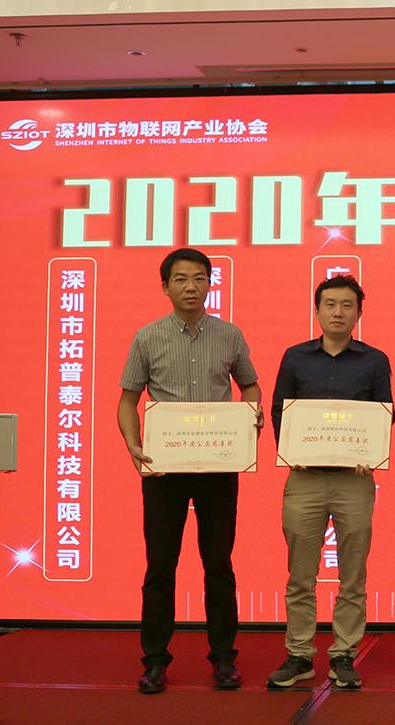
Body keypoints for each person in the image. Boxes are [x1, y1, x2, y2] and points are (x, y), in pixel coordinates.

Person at [117, 248, 262, 695]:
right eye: (180, 279)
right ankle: (154, 661)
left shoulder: (230, 335)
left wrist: (250, 418)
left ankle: (224, 659)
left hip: (218, 465)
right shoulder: (147, 338)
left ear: (210, 284)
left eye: (199, 278)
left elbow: (250, 386)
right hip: (165, 469)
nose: (191, 287)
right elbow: (127, 401)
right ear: (165, 287)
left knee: (218, 564)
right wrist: (134, 446)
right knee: (161, 565)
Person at [267, 275, 392, 691]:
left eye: (347, 305)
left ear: (359, 312)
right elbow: (280, 412)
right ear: (317, 310)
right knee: (300, 574)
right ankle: (300, 654)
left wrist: (371, 453)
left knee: (353, 574)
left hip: (354, 482)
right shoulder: (295, 357)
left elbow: (383, 413)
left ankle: (344, 654)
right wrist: (293, 449)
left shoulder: (375, 360)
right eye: (330, 304)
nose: (338, 312)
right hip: (304, 478)